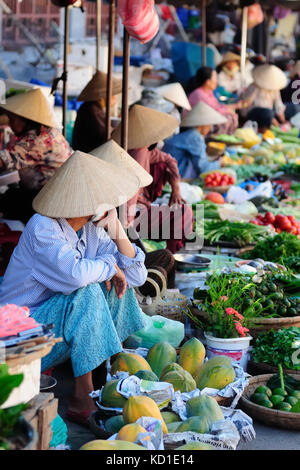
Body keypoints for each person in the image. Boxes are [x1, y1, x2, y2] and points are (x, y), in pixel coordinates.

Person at [0, 148, 147, 426]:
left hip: (51, 330)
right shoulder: (42, 227)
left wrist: (116, 231)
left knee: (116, 286)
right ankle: (81, 398)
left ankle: (110, 372)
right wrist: (109, 267)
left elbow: (137, 276)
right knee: (89, 290)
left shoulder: (90, 230)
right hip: (18, 337)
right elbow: (75, 276)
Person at [111, 104, 194, 254]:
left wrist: (176, 188)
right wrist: (125, 227)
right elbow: (131, 189)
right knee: (184, 213)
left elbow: (170, 160)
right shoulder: (139, 152)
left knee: (181, 208)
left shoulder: (145, 149)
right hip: (128, 215)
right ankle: (170, 254)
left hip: (133, 209)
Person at [0, 88, 71, 224]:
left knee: (7, 202)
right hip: (55, 192)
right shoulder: (47, 131)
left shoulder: (36, 139)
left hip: (53, 198)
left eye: (12, 119)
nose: (9, 123)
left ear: (25, 119)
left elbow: (3, 161)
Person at [162, 102, 227, 179]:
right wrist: (219, 163)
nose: (210, 128)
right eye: (209, 125)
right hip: (176, 174)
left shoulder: (191, 133)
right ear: (202, 125)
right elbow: (203, 168)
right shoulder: (195, 137)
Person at [72, 70, 122, 153]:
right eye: (112, 95)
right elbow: (105, 135)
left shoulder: (92, 107)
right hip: (88, 155)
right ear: (103, 96)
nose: (114, 98)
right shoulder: (92, 110)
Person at [186, 66, 240, 134]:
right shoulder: (199, 94)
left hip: (207, 119)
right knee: (228, 118)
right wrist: (228, 111)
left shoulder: (209, 92)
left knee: (231, 116)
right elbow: (213, 111)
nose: (216, 81)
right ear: (208, 82)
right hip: (198, 125)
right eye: (215, 78)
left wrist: (233, 107)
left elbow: (218, 106)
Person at [240, 64, 288, 131]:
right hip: (253, 113)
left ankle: (267, 129)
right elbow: (247, 103)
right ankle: (262, 130)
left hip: (268, 115)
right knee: (268, 113)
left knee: (270, 113)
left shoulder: (275, 90)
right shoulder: (254, 86)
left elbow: (279, 106)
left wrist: (283, 121)